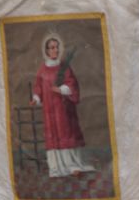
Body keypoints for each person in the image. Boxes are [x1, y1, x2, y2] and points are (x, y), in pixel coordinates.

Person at [31, 32, 94, 177]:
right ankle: (56, 167)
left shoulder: (64, 67)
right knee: (53, 135)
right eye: (52, 48)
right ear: (46, 51)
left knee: (66, 134)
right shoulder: (42, 69)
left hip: (63, 109)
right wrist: (36, 98)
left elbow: (72, 84)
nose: (55, 50)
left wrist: (60, 89)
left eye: (56, 47)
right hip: (49, 111)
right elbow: (38, 87)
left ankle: (73, 166)